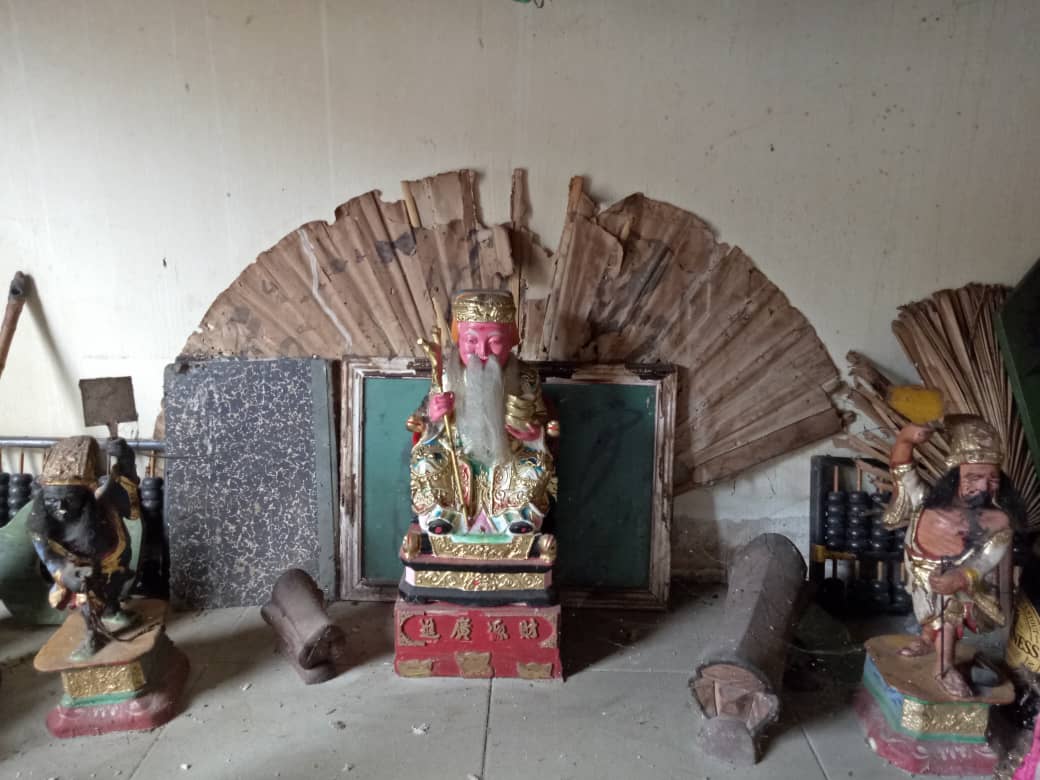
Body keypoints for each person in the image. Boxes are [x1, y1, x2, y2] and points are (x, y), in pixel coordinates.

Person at [884, 414, 1026, 698]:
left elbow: (986, 559)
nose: (984, 487)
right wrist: (905, 440)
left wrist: (962, 576)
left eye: (992, 479)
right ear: (955, 476)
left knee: (948, 613)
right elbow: (903, 473)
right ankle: (927, 639)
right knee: (927, 614)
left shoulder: (998, 521)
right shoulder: (925, 501)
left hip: (958, 582)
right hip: (918, 571)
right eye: (974, 477)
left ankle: (944, 667)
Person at [408, 289, 557, 538]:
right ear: (459, 339)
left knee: (536, 465)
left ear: (510, 340)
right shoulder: (445, 376)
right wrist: (433, 416)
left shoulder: (526, 377)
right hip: (456, 455)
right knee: (425, 460)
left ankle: (516, 516)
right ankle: (443, 516)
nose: (482, 351)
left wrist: (534, 434)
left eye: (494, 341)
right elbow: (421, 420)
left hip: (508, 455)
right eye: (471, 341)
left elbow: (541, 417)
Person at [28, 435, 140, 659]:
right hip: (79, 567)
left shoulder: (102, 502)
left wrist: (126, 461)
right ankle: (92, 634)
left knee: (113, 587)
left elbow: (128, 497)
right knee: (88, 597)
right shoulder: (41, 522)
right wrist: (63, 570)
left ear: (86, 494)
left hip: (113, 556)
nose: (61, 508)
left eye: (69, 499)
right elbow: (46, 553)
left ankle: (112, 610)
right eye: (52, 501)